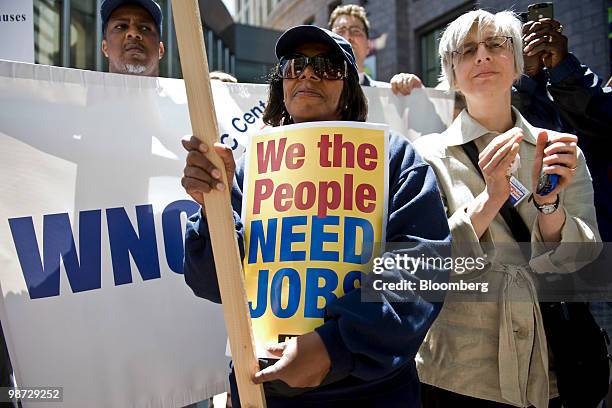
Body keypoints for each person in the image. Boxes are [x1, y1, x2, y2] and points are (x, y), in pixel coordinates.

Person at [181, 25, 451, 407]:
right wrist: (214, 211)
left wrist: (333, 346)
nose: (307, 74)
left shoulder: (395, 159)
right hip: (262, 388)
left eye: (325, 67)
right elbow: (210, 283)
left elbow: (420, 267)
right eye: (295, 66)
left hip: (370, 393)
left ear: (348, 88)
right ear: (281, 85)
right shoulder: (249, 169)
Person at [413, 10, 601, 408]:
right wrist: (490, 199)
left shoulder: (561, 153)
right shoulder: (424, 156)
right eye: (467, 50)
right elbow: (421, 269)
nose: (482, 56)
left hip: (554, 366)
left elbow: (586, 266)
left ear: (517, 64)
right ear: (451, 73)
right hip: (460, 374)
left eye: (495, 45)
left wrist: (549, 206)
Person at [328, 4, 423, 95]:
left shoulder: (391, 95)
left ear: (368, 46)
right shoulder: (314, 92)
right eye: (340, 31)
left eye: (355, 31)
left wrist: (418, 94)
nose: (348, 37)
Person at [100, 0, 165, 77]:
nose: (133, 33)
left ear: (160, 49)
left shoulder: (180, 89)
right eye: (121, 26)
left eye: (145, 28)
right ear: (105, 47)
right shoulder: (84, 88)